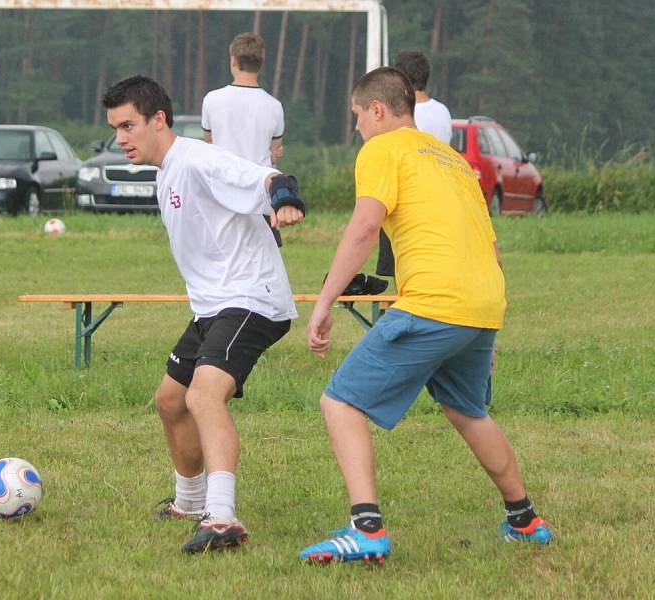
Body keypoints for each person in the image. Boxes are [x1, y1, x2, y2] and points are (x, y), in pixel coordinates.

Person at [299, 67, 553, 565]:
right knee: (468, 410)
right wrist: (486, 330)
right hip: (481, 305)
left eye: (357, 116)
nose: (356, 129)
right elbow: (492, 249)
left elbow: (364, 227)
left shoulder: (381, 149)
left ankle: (366, 529)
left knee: (340, 403)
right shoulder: (455, 161)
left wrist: (324, 302)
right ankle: (525, 521)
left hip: (433, 303)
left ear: (377, 109)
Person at [102, 74, 305, 554]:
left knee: (204, 395)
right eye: (115, 128)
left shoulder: (197, 159)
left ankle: (222, 518)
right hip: (214, 306)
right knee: (170, 401)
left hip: (253, 297)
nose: (120, 138)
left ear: (159, 119)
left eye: (128, 125)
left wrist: (285, 196)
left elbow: (263, 177)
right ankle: (189, 502)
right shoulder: (168, 170)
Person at [201, 32, 285, 245]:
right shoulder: (274, 106)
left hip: (222, 191)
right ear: (261, 63)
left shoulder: (212, 100)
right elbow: (275, 154)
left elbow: (208, 144)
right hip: (260, 193)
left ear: (234, 61)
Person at [376, 50, 453, 278]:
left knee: (401, 271)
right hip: (438, 196)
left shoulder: (401, 115)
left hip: (405, 199)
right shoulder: (443, 112)